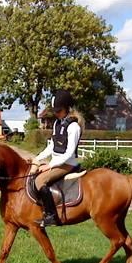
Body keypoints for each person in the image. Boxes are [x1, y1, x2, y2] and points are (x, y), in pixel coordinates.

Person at [30, 89, 82, 227]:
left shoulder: (74, 127)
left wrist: (50, 166)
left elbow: (69, 153)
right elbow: (52, 146)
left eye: (58, 111)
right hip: (57, 162)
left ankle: (51, 215)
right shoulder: (57, 124)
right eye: (55, 111)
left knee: (40, 181)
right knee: (33, 174)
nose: (56, 114)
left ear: (66, 108)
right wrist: (38, 158)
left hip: (67, 164)